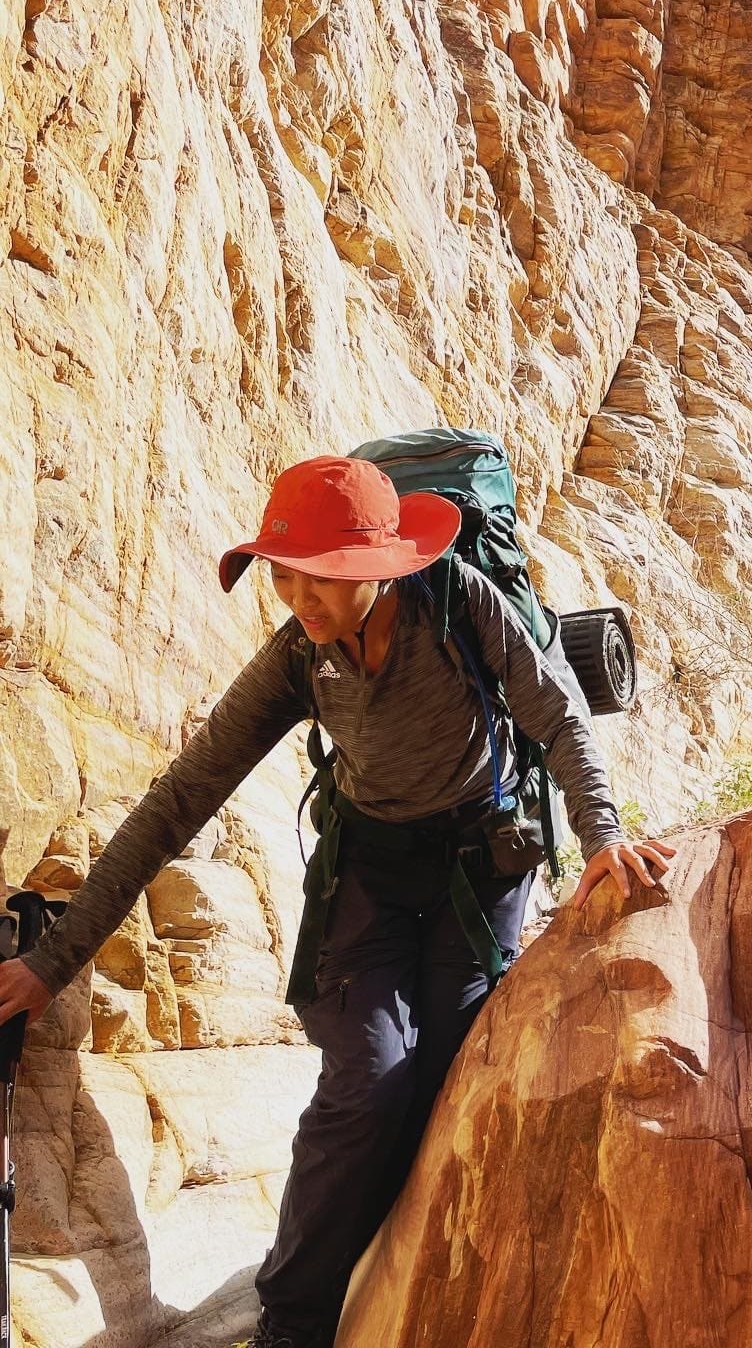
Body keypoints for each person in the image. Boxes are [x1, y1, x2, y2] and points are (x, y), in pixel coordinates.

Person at [0, 456, 674, 1348]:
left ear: (380, 567)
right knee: (367, 1081)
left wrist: (603, 835)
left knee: (442, 1083)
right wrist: (52, 963)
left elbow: (557, 716)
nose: (298, 598)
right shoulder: (299, 658)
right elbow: (180, 798)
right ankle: (292, 1324)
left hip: (481, 871)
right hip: (371, 873)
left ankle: (388, 1278)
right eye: (284, 575)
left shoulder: (458, 603)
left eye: (318, 575)